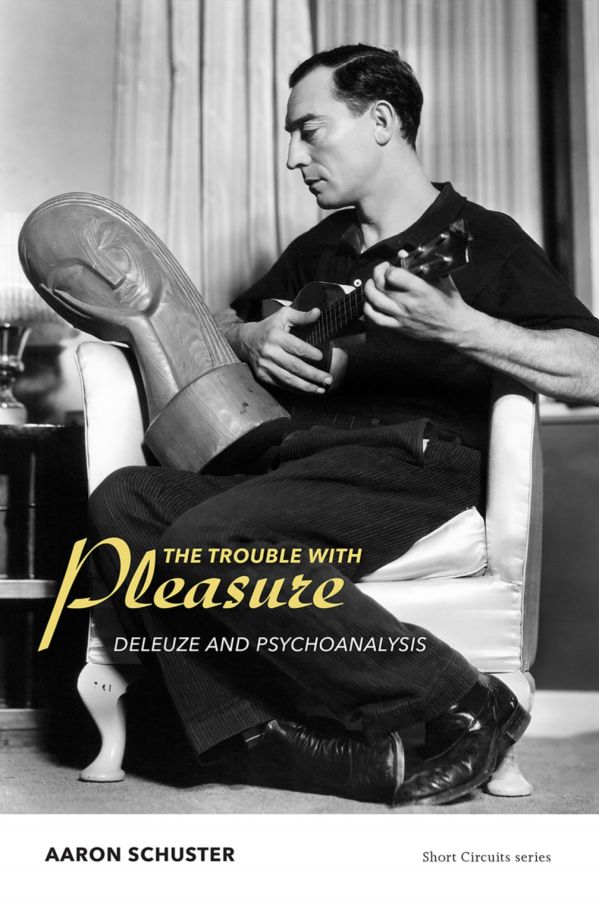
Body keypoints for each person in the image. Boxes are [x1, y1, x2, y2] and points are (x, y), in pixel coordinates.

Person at [89, 44, 599, 806]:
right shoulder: (318, 251)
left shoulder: (479, 237)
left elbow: (590, 366)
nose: (293, 158)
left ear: (381, 122)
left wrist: (463, 328)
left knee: (204, 539)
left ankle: (462, 698)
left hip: (410, 465)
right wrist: (251, 336)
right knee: (123, 499)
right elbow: (214, 322)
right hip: (300, 467)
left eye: (309, 130)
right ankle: (268, 741)